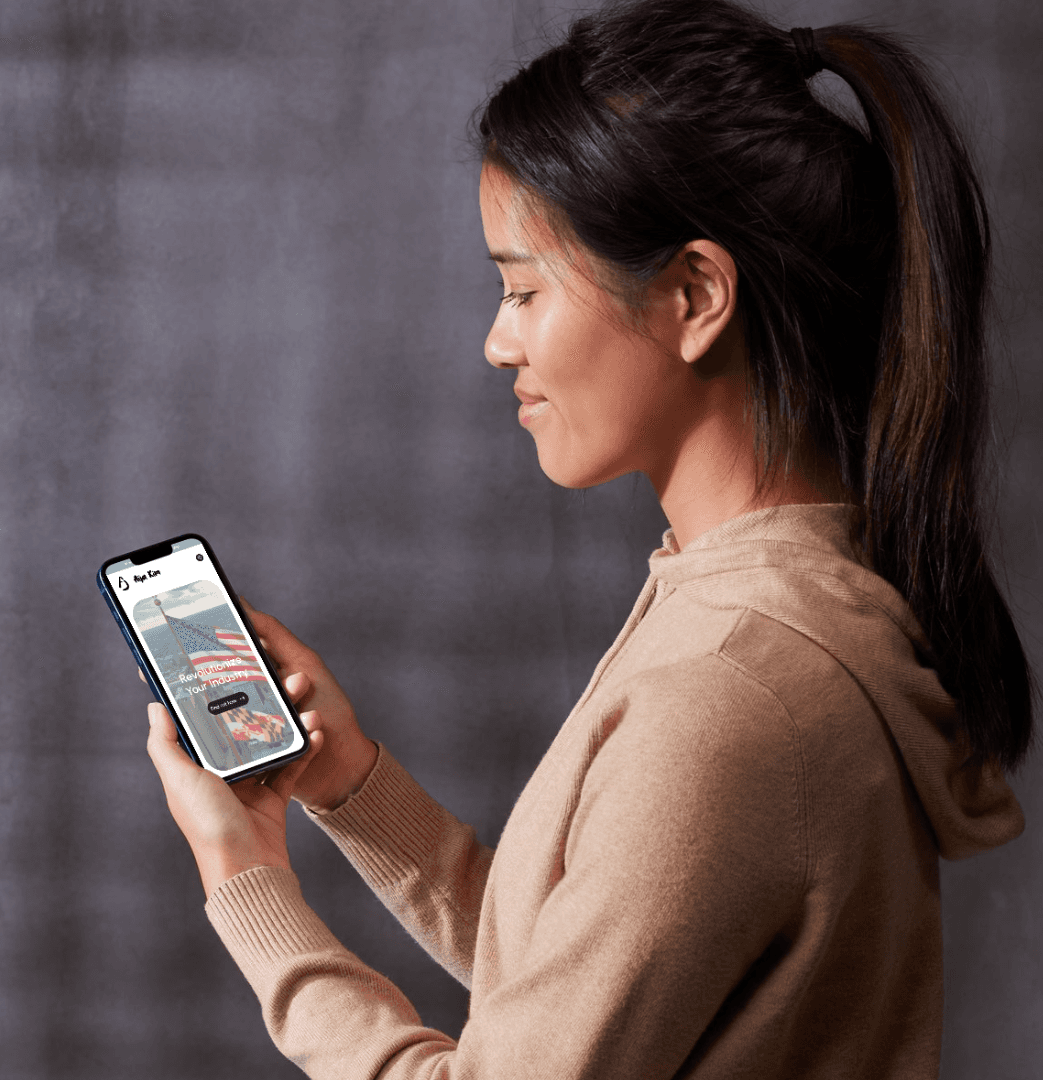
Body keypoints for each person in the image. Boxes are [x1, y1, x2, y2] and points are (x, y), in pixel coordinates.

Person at [144, 1, 1034, 1076]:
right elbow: (589, 983)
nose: (494, 341)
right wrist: (353, 787)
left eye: (522, 287)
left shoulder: (728, 690)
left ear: (695, 294)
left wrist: (249, 890)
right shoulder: (782, 607)